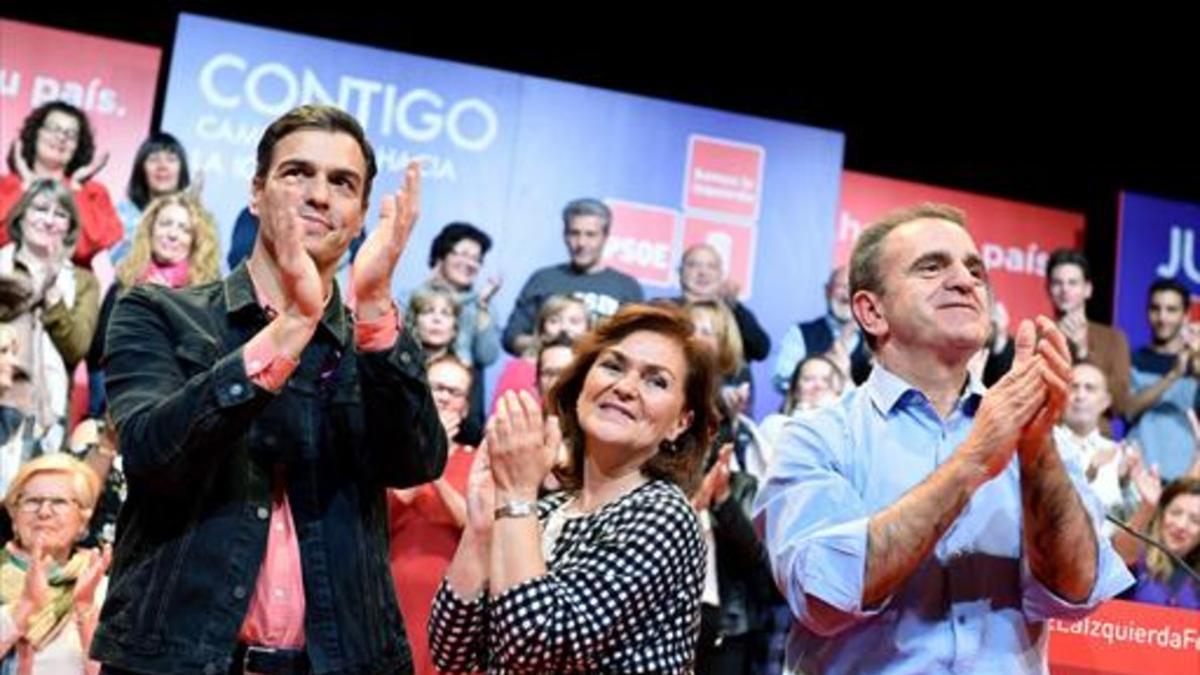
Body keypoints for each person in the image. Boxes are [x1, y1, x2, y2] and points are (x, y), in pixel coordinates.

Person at [91, 105, 447, 674]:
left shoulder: (372, 341)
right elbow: (152, 456)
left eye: (341, 183)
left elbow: (417, 461)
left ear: (358, 216)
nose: (319, 194)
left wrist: (375, 303)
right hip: (177, 662)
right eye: (297, 173)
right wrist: (288, 329)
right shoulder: (156, 311)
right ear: (257, 192)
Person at [755, 203, 1132, 673]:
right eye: (932, 267)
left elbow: (1075, 593)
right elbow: (826, 596)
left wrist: (1036, 449)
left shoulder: (1032, 433)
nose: (965, 280)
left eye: (975, 269)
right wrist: (973, 460)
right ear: (872, 312)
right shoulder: (815, 438)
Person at [430, 303, 717, 673]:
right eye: (613, 366)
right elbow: (452, 651)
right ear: (582, 384)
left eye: (656, 380)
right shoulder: (547, 511)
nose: (625, 387)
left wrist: (517, 496)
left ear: (680, 422)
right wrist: (483, 523)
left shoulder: (663, 514)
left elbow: (536, 646)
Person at [387, 355, 477, 675]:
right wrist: (420, 450)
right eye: (436, 387)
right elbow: (382, 514)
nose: (443, 397)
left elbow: (475, 525)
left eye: (454, 392)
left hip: (452, 611)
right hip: (391, 602)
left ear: (465, 407)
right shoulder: (390, 457)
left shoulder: (478, 460)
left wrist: (432, 460)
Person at [0, 179, 100, 451]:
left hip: (49, 414)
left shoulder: (83, 281)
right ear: (21, 217)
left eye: (60, 214)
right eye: (40, 210)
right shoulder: (2, 268)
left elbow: (77, 347)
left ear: (69, 227)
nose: (49, 221)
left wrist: (52, 291)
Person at [0, 454, 109, 674]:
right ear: (13, 516)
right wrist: (24, 607)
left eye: (59, 502)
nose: (44, 512)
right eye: (32, 501)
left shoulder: (101, 588)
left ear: (83, 520)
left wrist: (85, 610)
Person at [502, 198, 643, 355]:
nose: (581, 242)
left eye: (590, 235)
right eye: (574, 233)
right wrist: (552, 345)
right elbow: (512, 338)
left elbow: (636, 346)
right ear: (564, 235)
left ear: (605, 237)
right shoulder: (543, 279)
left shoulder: (626, 287)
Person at [0, 101, 122, 272]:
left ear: (78, 145)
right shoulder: (5, 186)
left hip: (70, 289)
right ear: (35, 133)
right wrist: (27, 187)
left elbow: (82, 248)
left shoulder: (93, 193)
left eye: (71, 134)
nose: (61, 137)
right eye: (53, 129)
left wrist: (74, 189)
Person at [1114, 475, 1199, 609]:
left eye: (1195, 520)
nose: (1181, 525)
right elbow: (1119, 553)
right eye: (1175, 513)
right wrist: (1147, 507)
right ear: (1162, 514)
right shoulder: (1138, 559)